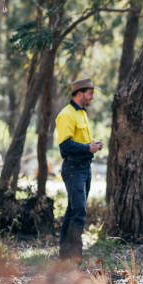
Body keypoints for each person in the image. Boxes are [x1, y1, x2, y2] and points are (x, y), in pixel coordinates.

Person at [55, 78, 103, 261]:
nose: (92, 97)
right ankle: (74, 256)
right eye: (90, 93)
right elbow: (65, 147)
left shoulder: (82, 113)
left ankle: (65, 255)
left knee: (73, 210)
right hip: (74, 168)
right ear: (79, 93)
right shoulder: (66, 115)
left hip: (84, 168)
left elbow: (80, 142)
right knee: (79, 211)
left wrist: (93, 145)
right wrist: (87, 148)